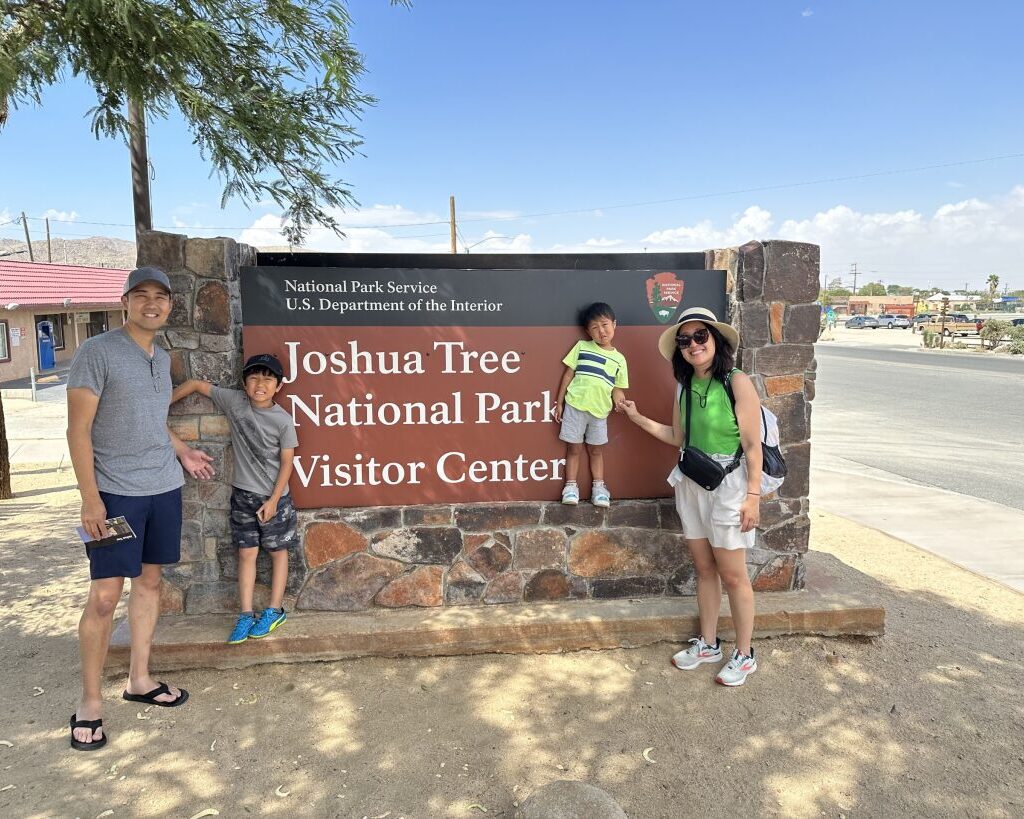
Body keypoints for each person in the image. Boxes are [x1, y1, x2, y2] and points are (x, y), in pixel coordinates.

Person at [67, 266, 215, 751]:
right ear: (125, 300)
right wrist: (91, 499)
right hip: (114, 495)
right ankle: (90, 702)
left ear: (170, 305)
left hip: (163, 488)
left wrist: (181, 450)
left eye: (161, 297)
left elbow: (150, 420)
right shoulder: (96, 352)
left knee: (150, 583)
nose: (153, 304)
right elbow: (78, 431)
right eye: (142, 295)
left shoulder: (160, 357)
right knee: (105, 597)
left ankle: (140, 680)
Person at [617, 307, 763, 686]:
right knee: (704, 569)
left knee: (733, 574)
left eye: (701, 336)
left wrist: (753, 495)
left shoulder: (737, 382)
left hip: (730, 485)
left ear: (716, 340)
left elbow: (752, 444)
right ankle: (709, 644)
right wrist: (637, 419)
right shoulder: (684, 387)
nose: (693, 345)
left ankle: (745, 654)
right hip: (692, 482)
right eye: (685, 340)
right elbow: (679, 438)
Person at [172, 353, 298, 645]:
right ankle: (245, 614)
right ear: (244, 383)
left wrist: (274, 500)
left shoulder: (283, 420)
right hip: (243, 496)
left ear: (278, 386)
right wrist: (160, 404)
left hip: (274, 498)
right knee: (246, 554)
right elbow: (194, 384)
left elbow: (288, 463)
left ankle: (275, 610)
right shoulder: (234, 401)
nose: (260, 384)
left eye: (268, 379)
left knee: (278, 552)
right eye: (254, 378)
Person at [553, 302, 629, 507]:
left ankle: (599, 487)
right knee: (574, 448)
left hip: (599, 412)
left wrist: (620, 403)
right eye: (594, 327)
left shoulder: (620, 359)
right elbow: (568, 374)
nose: (601, 331)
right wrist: (559, 403)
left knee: (596, 450)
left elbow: (617, 388)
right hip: (574, 407)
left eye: (604, 325)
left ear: (614, 324)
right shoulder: (582, 347)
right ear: (588, 331)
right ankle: (570, 487)